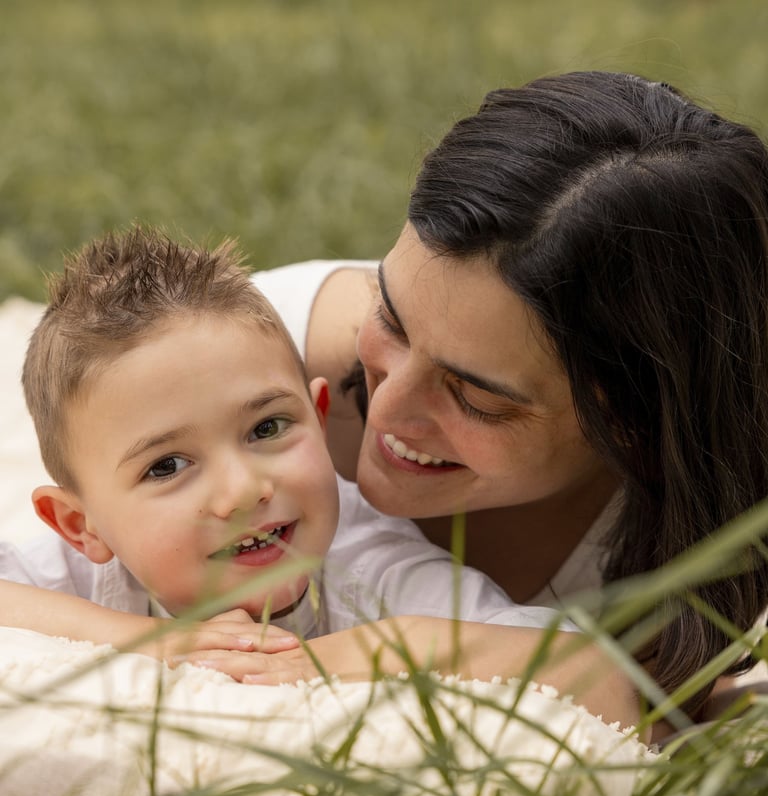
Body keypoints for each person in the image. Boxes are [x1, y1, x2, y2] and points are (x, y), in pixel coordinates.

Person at [234, 71, 768, 718]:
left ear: (630, 421)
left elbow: (675, 717)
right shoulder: (235, 365)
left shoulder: (730, 519)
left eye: (477, 397)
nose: (390, 410)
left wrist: (420, 645)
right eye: (391, 317)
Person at [0, 225, 642, 729]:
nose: (244, 489)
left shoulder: (370, 573)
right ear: (80, 525)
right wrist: (143, 641)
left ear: (320, 414)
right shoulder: (82, 580)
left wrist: (332, 658)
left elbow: (595, 677)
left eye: (268, 429)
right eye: (167, 466)